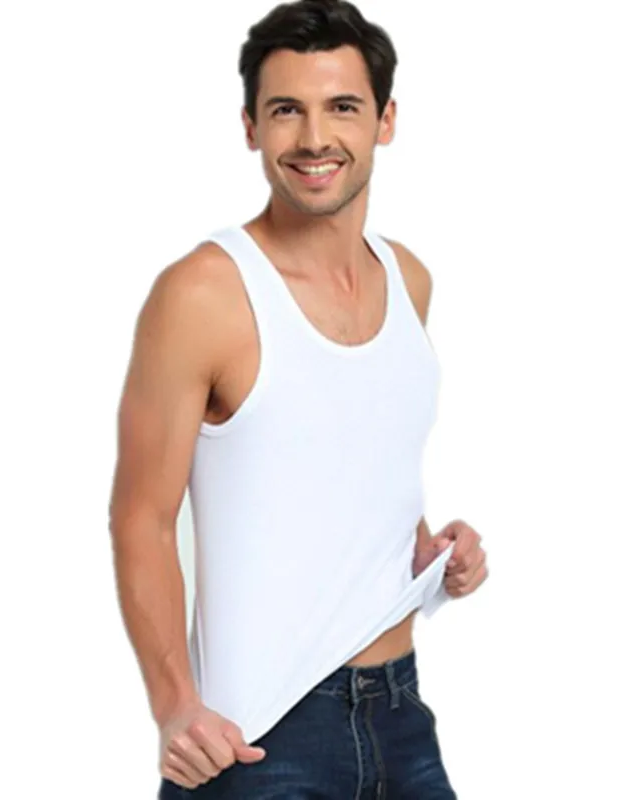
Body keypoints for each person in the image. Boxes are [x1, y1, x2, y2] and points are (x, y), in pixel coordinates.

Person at [109, 1, 489, 796]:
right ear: (251, 126)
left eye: (342, 107)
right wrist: (175, 707)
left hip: (402, 715)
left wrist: (428, 556)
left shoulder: (408, 279)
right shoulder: (203, 293)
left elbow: (355, 461)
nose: (315, 138)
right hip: (262, 736)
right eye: (287, 110)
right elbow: (141, 516)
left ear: (385, 121)